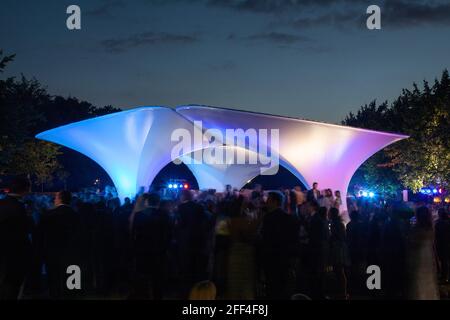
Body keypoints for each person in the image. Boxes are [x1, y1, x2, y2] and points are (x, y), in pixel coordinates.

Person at [39, 190, 81, 298]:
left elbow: (41, 235)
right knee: (72, 282)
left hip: (52, 253)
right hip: (72, 253)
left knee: (54, 280)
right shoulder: (76, 215)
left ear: (60, 199)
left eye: (56, 197)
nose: (54, 199)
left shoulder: (48, 215)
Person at [131, 193, 172, 299]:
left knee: (143, 277)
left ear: (147, 202)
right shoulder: (164, 214)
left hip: (142, 251)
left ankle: (143, 296)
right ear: (158, 202)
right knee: (158, 279)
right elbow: (169, 233)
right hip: (159, 251)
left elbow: (133, 233)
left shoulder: (139, 215)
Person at [261, 192, 299, 299]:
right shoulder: (288, 218)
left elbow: (265, 238)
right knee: (282, 287)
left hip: (271, 257)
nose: (266, 202)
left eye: (268, 200)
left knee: (272, 287)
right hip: (284, 258)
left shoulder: (268, 218)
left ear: (274, 202)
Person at [0, 177, 32, 299]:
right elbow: (25, 230)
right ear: (25, 190)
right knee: (12, 285)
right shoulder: (20, 208)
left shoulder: (2, 204)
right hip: (15, 253)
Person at [177, 189, 212, 295]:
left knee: (185, 268)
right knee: (196, 267)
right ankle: (196, 292)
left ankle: (185, 292)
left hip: (185, 242)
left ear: (183, 196)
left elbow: (180, 224)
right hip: (198, 241)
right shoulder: (199, 207)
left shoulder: (181, 208)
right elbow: (205, 222)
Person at [405, 206, 439, 299]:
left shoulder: (416, 230)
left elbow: (411, 245)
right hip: (428, 257)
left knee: (419, 283)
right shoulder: (430, 228)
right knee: (429, 282)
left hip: (418, 258)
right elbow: (433, 245)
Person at [308, 205, 329, 299]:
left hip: (317, 248)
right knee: (320, 271)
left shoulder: (315, 220)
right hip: (320, 248)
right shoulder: (321, 221)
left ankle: (317, 292)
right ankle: (320, 292)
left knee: (318, 271)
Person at [329, 207, 350, 299]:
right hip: (340, 248)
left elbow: (336, 237)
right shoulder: (339, 223)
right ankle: (343, 292)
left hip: (338, 249)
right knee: (340, 271)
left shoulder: (335, 224)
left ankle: (343, 293)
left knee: (339, 271)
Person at [435, 208, 450, 284]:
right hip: (446, 243)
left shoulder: (438, 223)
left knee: (444, 261)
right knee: (446, 261)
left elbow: (436, 235)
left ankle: (444, 276)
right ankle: (446, 276)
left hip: (442, 244)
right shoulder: (447, 222)